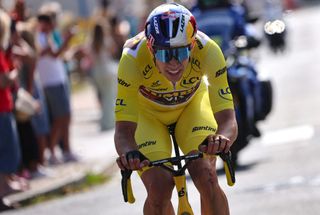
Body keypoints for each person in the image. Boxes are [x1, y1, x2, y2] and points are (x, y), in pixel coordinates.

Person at [114, 3, 238, 215]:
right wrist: (128, 154)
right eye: (164, 55)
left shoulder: (208, 49)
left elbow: (228, 119)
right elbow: (123, 131)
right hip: (148, 116)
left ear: (191, 45)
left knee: (206, 175)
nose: (174, 63)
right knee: (159, 187)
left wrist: (221, 139)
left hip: (191, 107)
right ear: (151, 49)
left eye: (181, 52)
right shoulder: (131, 59)